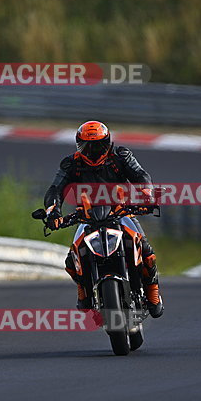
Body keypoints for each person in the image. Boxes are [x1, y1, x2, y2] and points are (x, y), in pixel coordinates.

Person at [42, 120, 163, 318]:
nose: (93, 150)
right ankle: (84, 291)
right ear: (79, 145)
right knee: (72, 258)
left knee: (145, 249)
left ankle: (153, 294)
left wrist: (147, 194)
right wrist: (53, 212)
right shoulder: (71, 163)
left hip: (121, 212)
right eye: (87, 146)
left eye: (98, 145)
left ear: (107, 143)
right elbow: (55, 189)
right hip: (87, 217)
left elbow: (141, 175)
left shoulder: (120, 156)